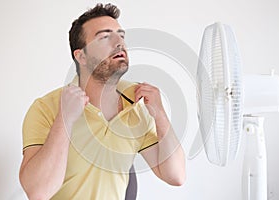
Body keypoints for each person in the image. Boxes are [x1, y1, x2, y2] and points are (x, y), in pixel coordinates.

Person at [19, 3, 186, 200]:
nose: (119, 43)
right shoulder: (46, 108)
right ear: (80, 56)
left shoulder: (136, 109)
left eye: (121, 35)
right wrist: (65, 119)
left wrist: (160, 114)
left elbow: (176, 176)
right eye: (105, 37)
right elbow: (38, 192)